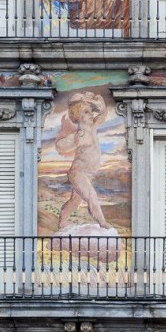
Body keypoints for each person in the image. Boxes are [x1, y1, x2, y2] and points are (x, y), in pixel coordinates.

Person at [56, 91, 111, 230]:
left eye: (91, 111)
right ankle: (102, 223)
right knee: (91, 195)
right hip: (78, 173)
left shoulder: (93, 128)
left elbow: (103, 114)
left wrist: (98, 101)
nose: (91, 114)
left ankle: (62, 222)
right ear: (77, 115)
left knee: (75, 201)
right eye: (87, 112)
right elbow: (60, 145)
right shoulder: (79, 135)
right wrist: (74, 143)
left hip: (88, 174)